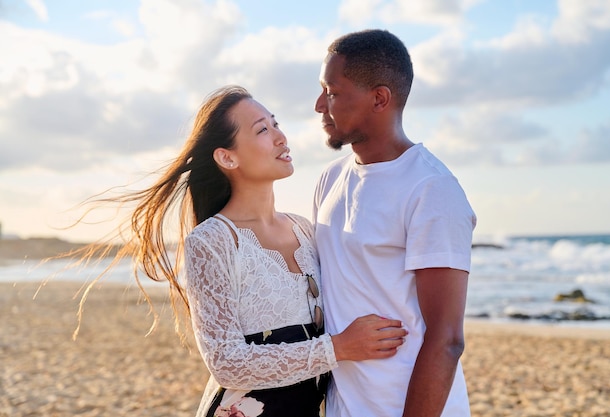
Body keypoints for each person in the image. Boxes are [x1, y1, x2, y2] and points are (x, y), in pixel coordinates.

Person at [68, 85, 407, 417]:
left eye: (276, 124)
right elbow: (226, 364)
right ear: (227, 157)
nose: (280, 137)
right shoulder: (212, 241)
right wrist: (339, 348)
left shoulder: (305, 229)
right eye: (262, 130)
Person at [313, 30, 477, 417]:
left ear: (379, 98)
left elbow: (447, 339)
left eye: (332, 92)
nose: (320, 104)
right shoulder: (330, 180)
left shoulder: (432, 189)